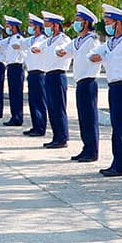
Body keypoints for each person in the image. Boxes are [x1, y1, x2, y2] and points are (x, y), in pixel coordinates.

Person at [93, 5, 122, 177]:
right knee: (116, 126)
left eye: (109, 22)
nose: (107, 25)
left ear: (119, 23)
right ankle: (116, 160)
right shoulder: (110, 43)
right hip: (113, 87)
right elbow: (94, 54)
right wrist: (98, 56)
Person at [69, 5, 104, 163]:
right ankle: (86, 147)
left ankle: (92, 150)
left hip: (89, 81)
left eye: (79, 20)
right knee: (83, 117)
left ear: (87, 23)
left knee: (89, 117)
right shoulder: (78, 40)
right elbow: (66, 49)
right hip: (80, 82)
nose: (76, 23)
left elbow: (98, 54)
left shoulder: (92, 40)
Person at [40, 11, 74, 148]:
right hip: (48, 75)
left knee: (59, 107)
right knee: (52, 108)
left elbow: (64, 49)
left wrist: (60, 50)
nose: (46, 28)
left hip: (58, 75)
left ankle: (62, 137)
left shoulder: (63, 39)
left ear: (55, 25)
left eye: (48, 25)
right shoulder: (49, 40)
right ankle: (56, 136)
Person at [24, 15, 49, 136]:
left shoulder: (42, 39)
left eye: (31, 25)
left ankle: (40, 127)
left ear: (38, 27)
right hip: (32, 73)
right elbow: (21, 43)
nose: (29, 27)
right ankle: (35, 126)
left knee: (39, 101)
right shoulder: (32, 39)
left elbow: (36, 48)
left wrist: (34, 48)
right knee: (33, 101)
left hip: (39, 73)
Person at [1, 16, 28, 127]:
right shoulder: (11, 39)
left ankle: (18, 117)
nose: (7, 28)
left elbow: (25, 54)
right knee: (13, 93)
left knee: (17, 94)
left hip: (17, 67)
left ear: (13, 27)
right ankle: (14, 116)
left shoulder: (19, 39)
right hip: (11, 67)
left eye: (8, 26)